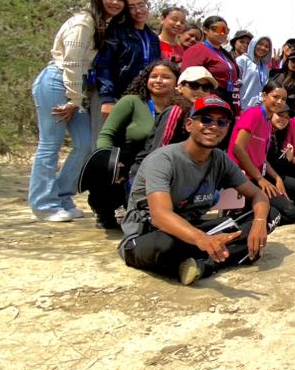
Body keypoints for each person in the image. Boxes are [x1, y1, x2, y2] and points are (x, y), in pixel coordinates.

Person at [117, 95, 279, 286]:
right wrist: (202, 239)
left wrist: (259, 223)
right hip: (152, 234)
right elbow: (160, 215)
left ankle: (202, 265)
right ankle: (215, 256)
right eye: (206, 119)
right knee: (167, 245)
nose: (214, 126)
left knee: (270, 215)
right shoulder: (163, 159)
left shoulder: (219, 159)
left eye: (221, 122)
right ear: (189, 125)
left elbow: (258, 194)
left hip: (193, 228)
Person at [29, 0, 127, 221]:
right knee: (50, 144)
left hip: (75, 89)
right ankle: (43, 204)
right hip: (57, 82)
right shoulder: (84, 22)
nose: (115, 3)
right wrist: (74, 98)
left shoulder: (103, 25)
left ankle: (62, 195)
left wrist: (76, 97)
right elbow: (72, 62)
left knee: (85, 144)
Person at [90, 60, 180, 229]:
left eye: (166, 77)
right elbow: (106, 135)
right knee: (103, 169)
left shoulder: (180, 108)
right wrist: (109, 161)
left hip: (163, 166)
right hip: (128, 165)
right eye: (154, 76)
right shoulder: (131, 102)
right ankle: (105, 210)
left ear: (177, 83)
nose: (158, 81)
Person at [227, 80, 295, 226]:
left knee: (291, 212)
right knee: (289, 213)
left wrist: (277, 178)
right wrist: (260, 178)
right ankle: (244, 214)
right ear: (264, 95)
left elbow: (261, 158)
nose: (279, 102)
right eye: (275, 97)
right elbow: (238, 148)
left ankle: (254, 210)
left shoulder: (267, 121)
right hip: (241, 177)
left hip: (255, 177)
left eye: (283, 99)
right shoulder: (253, 114)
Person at [94, 0, 162, 119]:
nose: (138, 10)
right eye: (131, 8)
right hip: (119, 96)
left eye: (142, 5)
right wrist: (107, 98)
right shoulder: (116, 32)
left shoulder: (153, 37)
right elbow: (104, 66)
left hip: (145, 97)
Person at [182, 16, 242, 114]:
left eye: (226, 30)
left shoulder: (226, 54)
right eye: (218, 29)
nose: (222, 33)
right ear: (205, 30)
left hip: (229, 100)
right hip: (207, 101)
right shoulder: (197, 50)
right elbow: (188, 81)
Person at [237, 36, 274, 111]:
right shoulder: (242, 60)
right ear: (253, 44)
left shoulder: (265, 69)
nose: (263, 48)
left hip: (256, 110)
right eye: (260, 44)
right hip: (241, 109)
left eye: (267, 46)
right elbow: (235, 86)